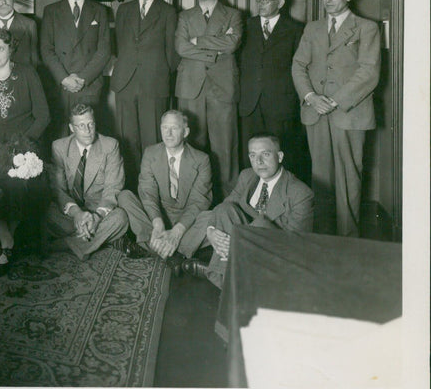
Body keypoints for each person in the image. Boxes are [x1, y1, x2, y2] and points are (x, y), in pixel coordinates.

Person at [291, 0, 380, 237]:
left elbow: (369, 72)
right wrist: (310, 97)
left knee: (349, 178)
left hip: (349, 113)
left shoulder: (366, 27)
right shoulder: (313, 28)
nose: (328, 0)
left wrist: (334, 101)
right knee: (321, 178)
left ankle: (347, 239)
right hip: (315, 112)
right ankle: (323, 237)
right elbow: (298, 66)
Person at [177, 133, 314, 288]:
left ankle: (220, 275)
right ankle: (233, 280)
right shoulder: (247, 176)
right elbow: (227, 205)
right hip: (244, 248)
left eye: (266, 154)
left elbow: (296, 245)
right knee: (224, 210)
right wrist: (211, 231)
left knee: (261, 223)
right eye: (253, 155)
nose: (259, 162)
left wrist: (239, 244)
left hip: (273, 252)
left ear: (280, 156)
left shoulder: (300, 193)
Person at [0, 28, 50, 265]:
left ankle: (5, 243)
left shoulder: (27, 73)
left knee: (16, 180)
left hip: (24, 142)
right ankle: (8, 240)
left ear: (10, 49)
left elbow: (43, 115)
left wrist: (22, 143)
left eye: (1, 48)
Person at [175, 0, 243, 198]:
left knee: (225, 148)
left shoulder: (233, 14)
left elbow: (232, 44)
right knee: (191, 148)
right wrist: (215, 49)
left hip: (222, 88)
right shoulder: (184, 16)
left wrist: (198, 41)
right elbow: (181, 47)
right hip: (190, 88)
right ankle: (195, 201)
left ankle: (228, 204)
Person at [45, 104, 142, 261]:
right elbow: (58, 190)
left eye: (91, 124)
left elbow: (113, 188)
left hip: (98, 210)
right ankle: (102, 239)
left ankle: (65, 244)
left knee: (121, 218)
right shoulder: (60, 147)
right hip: (70, 213)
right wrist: (77, 214)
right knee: (49, 215)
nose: (88, 130)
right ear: (71, 128)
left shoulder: (110, 146)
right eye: (81, 125)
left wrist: (96, 218)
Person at [111, 0, 179, 187]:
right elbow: (119, 45)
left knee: (152, 139)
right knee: (127, 140)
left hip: (154, 84)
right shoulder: (124, 9)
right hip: (125, 84)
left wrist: (157, 73)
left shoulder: (168, 12)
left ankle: (152, 187)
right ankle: (129, 188)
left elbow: (172, 53)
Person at [119, 110, 212, 263]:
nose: (168, 133)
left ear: (185, 132)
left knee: (213, 217)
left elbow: (199, 201)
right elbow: (147, 193)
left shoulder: (202, 159)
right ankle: (175, 253)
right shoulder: (150, 153)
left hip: (186, 220)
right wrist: (157, 223)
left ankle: (153, 247)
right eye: (164, 128)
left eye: (174, 128)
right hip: (157, 216)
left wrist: (178, 231)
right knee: (125, 196)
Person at [238, 0, 306, 180]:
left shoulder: (295, 29)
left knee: (284, 155)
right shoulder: (245, 26)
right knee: (250, 157)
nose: (260, 3)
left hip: (281, 105)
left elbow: (300, 67)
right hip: (249, 104)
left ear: (281, 3)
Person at [40, 0, 111, 134]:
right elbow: (46, 49)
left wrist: (82, 79)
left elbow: (104, 50)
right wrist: (64, 78)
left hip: (88, 85)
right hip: (60, 84)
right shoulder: (51, 11)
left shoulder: (100, 11)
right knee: (60, 134)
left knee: (88, 133)